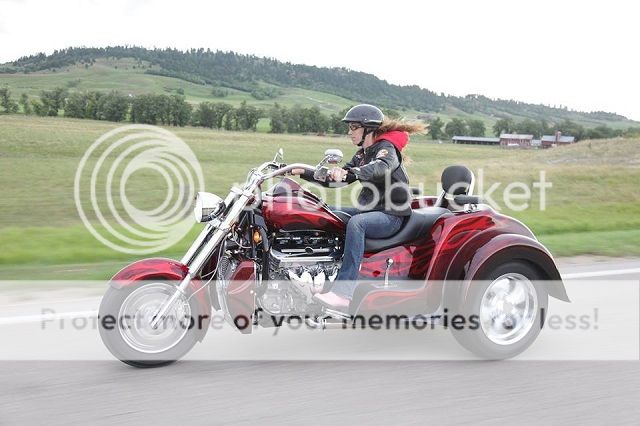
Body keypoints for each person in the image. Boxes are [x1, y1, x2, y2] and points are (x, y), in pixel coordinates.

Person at [292, 104, 426, 310]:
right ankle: (315, 272)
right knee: (325, 211)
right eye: (350, 127)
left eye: (354, 127)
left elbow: (381, 167)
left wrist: (352, 172)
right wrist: (301, 171)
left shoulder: (386, 149)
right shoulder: (362, 154)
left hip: (391, 215)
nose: (349, 132)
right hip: (371, 210)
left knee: (357, 223)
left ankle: (343, 293)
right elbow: (336, 180)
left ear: (368, 129)